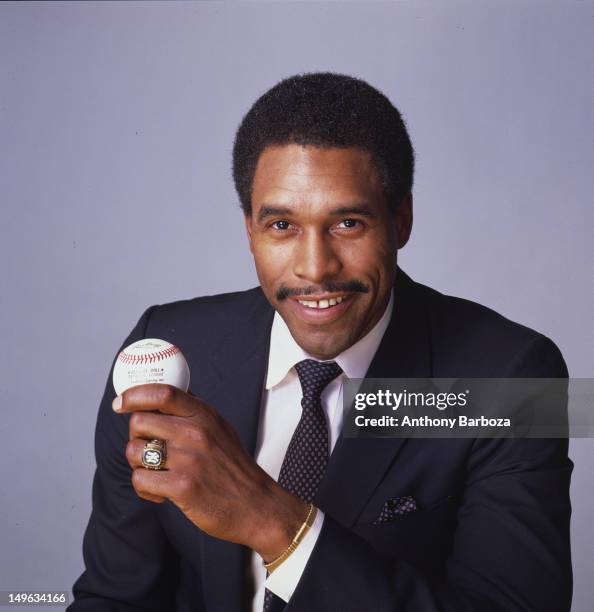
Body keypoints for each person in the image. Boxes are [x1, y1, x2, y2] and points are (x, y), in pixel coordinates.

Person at [68, 72, 572, 611]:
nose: (315, 269)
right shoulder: (163, 347)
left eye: (348, 223)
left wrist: (274, 522)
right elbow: (114, 599)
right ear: (249, 230)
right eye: (282, 226)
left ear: (401, 220)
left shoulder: (516, 378)